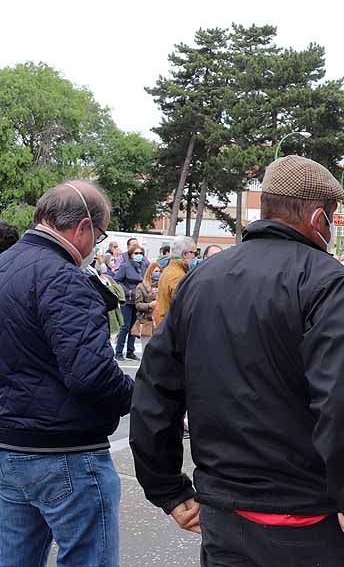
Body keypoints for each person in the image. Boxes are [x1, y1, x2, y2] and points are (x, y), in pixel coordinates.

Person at [130, 154, 344, 565]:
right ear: (318, 218)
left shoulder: (203, 278)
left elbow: (155, 388)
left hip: (226, 514)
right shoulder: (327, 281)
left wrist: (166, 488)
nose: (333, 228)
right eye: (333, 218)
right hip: (306, 517)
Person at [0, 181, 134, 566]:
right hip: (66, 453)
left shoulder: (6, 264)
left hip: (12, 446)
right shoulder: (63, 277)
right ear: (82, 228)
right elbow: (91, 374)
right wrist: (142, 396)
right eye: (100, 235)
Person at [113, 244, 146, 360]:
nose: (139, 256)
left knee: (134, 327)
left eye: (141, 253)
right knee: (125, 326)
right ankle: (118, 352)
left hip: (139, 300)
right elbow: (116, 280)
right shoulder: (125, 266)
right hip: (127, 300)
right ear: (131, 255)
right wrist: (127, 291)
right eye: (136, 253)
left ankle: (130, 351)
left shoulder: (143, 267)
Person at [155, 236, 197, 325]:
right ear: (185, 254)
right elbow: (182, 306)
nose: (194, 257)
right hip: (171, 326)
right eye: (194, 253)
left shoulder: (169, 269)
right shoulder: (178, 276)